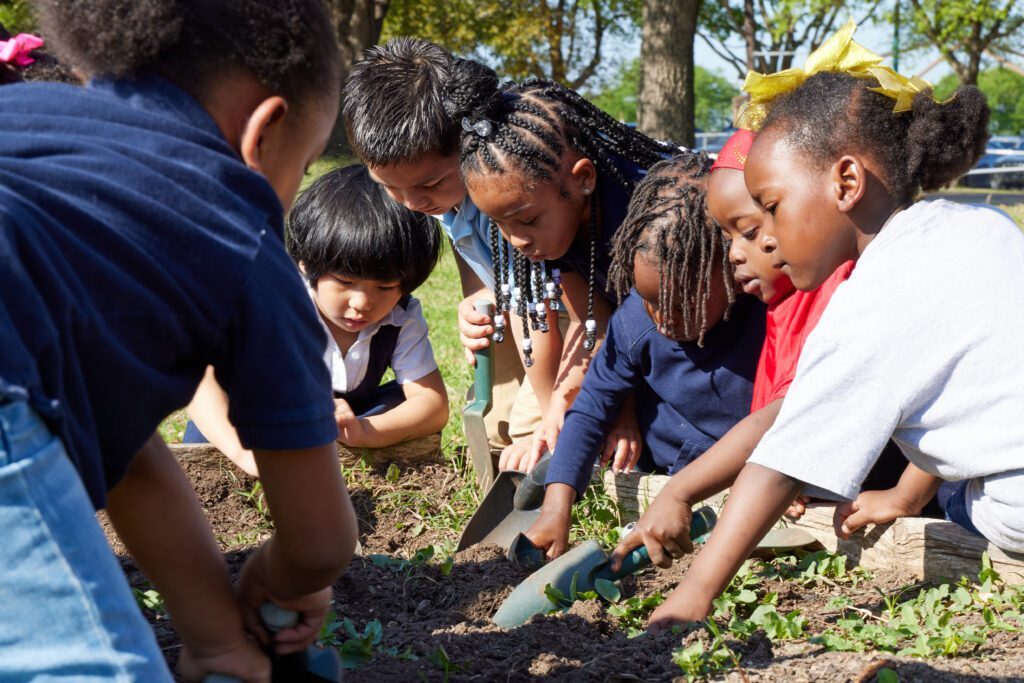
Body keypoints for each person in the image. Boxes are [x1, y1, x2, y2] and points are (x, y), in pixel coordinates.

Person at [614, 26, 1021, 631]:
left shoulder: (872, 302)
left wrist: (694, 593)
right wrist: (906, 497)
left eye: (771, 206)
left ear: (847, 182)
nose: (768, 236)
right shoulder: (980, 225)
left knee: (974, 495)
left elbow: (779, 460)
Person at [0, 1, 358, 680]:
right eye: (304, 166)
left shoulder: (27, 123)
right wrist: (277, 580)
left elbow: (130, 456)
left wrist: (217, 636)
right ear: (266, 130)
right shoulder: (240, 226)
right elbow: (319, 542)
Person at [442, 59, 681, 474]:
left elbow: (644, 325)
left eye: (527, 220)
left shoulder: (654, 210)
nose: (515, 239)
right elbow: (595, 319)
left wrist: (620, 410)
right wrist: (564, 408)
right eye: (498, 224)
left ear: (583, 178)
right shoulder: (555, 223)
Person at [523, 153, 766, 558]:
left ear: (731, 272)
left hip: (749, 468)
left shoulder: (766, 313)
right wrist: (555, 509)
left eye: (678, 303)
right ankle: (562, 472)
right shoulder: (637, 319)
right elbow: (591, 408)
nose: (660, 318)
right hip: (670, 463)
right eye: (650, 299)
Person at [342, 38, 537, 460]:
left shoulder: (514, 192)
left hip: (560, 316)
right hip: (516, 312)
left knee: (528, 431)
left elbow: (550, 305)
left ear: (467, 142)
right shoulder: (447, 199)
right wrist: (479, 299)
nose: (412, 203)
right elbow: (474, 266)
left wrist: (546, 410)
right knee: (490, 429)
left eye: (429, 185)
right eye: (389, 187)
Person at [186, 165, 449, 475]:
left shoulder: (400, 316)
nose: (362, 302)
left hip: (342, 418)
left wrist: (362, 431)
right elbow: (200, 381)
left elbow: (432, 405)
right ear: (305, 264)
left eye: (385, 286)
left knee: (397, 402)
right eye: (345, 281)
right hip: (252, 425)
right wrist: (244, 455)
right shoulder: (274, 303)